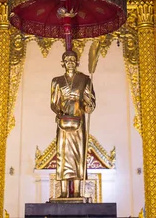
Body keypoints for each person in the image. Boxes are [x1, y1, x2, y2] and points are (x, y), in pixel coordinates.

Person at [50, 50, 96, 199]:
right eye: (67, 59)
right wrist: (59, 113)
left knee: (77, 155)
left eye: (72, 59)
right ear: (63, 63)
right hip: (64, 122)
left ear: (77, 62)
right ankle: (63, 191)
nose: (70, 61)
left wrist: (89, 104)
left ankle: (76, 191)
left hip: (78, 122)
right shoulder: (57, 81)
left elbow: (90, 105)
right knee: (63, 155)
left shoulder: (85, 80)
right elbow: (54, 103)